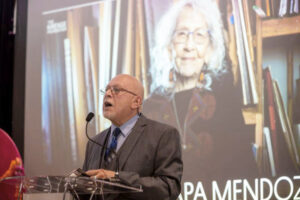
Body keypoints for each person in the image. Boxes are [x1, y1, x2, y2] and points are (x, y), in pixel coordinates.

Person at [143, 0, 258, 186]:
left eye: (199, 35)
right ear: (169, 43)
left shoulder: (226, 103)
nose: (189, 45)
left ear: (210, 48)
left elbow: (246, 176)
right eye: (181, 34)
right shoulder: (148, 108)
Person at [82, 74, 183, 200]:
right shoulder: (94, 142)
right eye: (106, 90)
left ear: (136, 102)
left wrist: (117, 178)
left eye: (116, 90)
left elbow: (168, 187)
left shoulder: (163, 135)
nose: (107, 94)